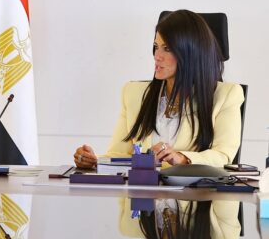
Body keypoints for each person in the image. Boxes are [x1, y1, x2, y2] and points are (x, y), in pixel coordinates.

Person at [73, 9, 243, 168]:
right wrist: (95, 161)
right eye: (156, 46)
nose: (157, 56)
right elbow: (119, 154)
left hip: (194, 190)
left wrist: (182, 158)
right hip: (143, 189)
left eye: (167, 48)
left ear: (191, 53)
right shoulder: (133, 93)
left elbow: (223, 155)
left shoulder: (227, 95)